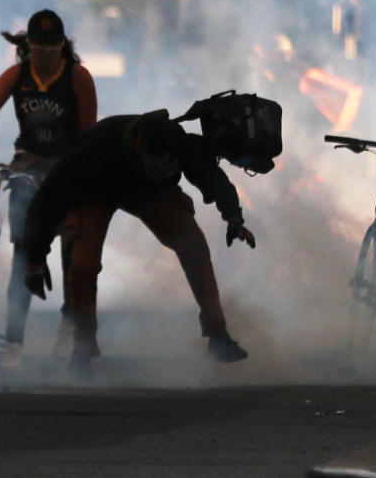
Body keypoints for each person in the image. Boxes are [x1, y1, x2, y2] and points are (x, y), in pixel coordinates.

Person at [21, 109, 256, 377]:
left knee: (193, 244)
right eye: (157, 166)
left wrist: (233, 218)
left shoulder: (177, 142)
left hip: (148, 190)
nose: (162, 171)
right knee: (83, 266)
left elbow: (210, 176)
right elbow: (46, 203)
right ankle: (82, 349)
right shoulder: (89, 153)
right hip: (96, 191)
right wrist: (35, 259)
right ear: (138, 147)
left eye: (167, 167)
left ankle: (218, 335)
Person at [0, 9, 97, 369]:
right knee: (24, 255)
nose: (44, 51)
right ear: (28, 45)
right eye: (37, 44)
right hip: (27, 164)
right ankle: (13, 345)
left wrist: (81, 174)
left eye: (50, 44)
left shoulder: (78, 77)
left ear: (62, 45)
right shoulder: (16, 75)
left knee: (72, 256)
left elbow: (89, 133)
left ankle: (69, 327)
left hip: (67, 167)